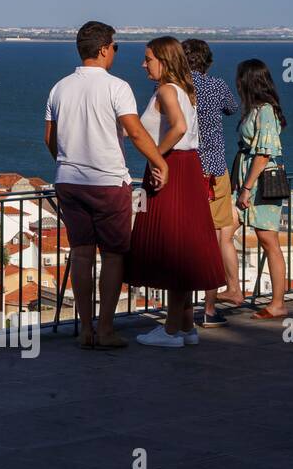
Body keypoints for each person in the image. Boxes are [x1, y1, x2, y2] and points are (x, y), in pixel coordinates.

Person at [45, 21, 169, 350]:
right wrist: (160, 162)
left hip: (68, 182)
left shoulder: (59, 88)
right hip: (107, 182)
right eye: (115, 47)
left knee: (81, 256)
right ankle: (106, 330)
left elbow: (49, 139)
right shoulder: (117, 87)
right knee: (114, 256)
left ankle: (84, 329)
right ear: (103, 49)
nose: (116, 52)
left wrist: (68, 162)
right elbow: (137, 132)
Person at [126, 37, 227, 347]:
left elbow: (180, 127)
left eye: (148, 59)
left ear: (164, 61)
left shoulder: (167, 90)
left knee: (171, 245)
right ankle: (185, 325)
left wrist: (157, 156)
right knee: (182, 244)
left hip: (172, 166)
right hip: (187, 168)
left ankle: (170, 331)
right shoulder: (186, 90)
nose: (143, 64)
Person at [182, 39, 245, 326]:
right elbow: (233, 108)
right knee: (215, 237)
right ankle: (209, 310)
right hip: (216, 171)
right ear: (207, 61)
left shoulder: (176, 88)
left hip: (187, 170)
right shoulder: (216, 86)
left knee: (182, 238)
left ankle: (179, 311)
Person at [234, 59, 289, 320]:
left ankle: (278, 303)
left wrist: (246, 188)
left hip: (260, 183)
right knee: (223, 228)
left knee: (269, 242)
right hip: (248, 180)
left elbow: (264, 153)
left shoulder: (265, 110)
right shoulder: (256, 109)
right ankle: (231, 287)